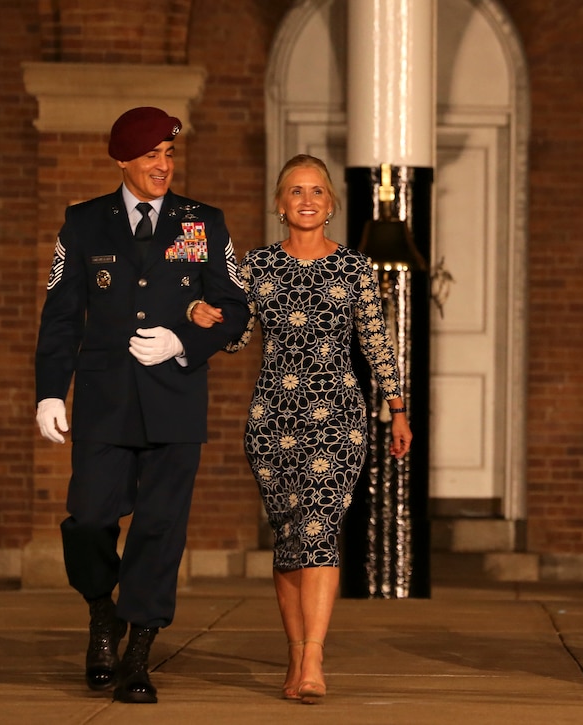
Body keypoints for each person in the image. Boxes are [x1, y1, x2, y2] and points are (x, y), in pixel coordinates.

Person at [34, 106, 251, 704]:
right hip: (105, 399)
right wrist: (50, 391)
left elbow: (234, 309)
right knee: (89, 519)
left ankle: (136, 655)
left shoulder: (201, 222)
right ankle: (103, 613)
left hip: (175, 400)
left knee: (160, 531)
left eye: (169, 154)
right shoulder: (83, 224)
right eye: (152, 154)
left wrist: (185, 340)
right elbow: (60, 318)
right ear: (123, 159)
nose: (163, 165)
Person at [191, 153, 412, 704]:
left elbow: (376, 341)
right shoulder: (257, 265)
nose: (307, 200)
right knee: (290, 539)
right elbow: (240, 338)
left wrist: (398, 406)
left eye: (317, 191)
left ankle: (314, 658)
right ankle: (295, 657)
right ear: (279, 202)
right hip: (272, 420)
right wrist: (205, 315)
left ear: (332, 203)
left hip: (338, 417)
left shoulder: (354, 267)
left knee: (318, 530)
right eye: (296, 191)